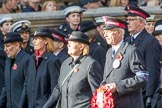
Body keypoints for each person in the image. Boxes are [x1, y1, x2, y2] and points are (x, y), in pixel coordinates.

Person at [43, 31, 103, 108]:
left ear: (81, 46)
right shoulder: (65, 63)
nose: (68, 45)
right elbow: (58, 89)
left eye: (71, 43)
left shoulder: (91, 64)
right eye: (68, 43)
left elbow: (98, 93)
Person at [100, 17, 147, 108]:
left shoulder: (131, 51)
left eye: (108, 32)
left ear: (119, 33)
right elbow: (106, 77)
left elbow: (143, 77)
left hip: (129, 103)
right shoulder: (109, 52)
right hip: (112, 103)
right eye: (105, 32)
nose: (105, 35)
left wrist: (117, 86)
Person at [124, 5, 161, 108]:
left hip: (142, 94)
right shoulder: (126, 41)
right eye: (127, 20)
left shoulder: (150, 41)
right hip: (127, 91)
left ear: (141, 22)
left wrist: (149, 95)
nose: (128, 22)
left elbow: (153, 70)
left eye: (131, 20)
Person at [19, 27, 61, 108]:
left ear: (45, 41)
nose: (33, 41)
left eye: (37, 39)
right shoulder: (31, 59)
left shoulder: (53, 61)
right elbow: (26, 85)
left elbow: (55, 90)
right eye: (33, 39)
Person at [0, 32, 35, 108]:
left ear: (17, 45)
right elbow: (6, 85)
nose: (5, 49)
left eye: (8, 46)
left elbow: (27, 87)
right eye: (4, 46)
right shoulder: (9, 60)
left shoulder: (27, 60)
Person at [151, 20, 162, 108]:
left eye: (160, 34)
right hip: (157, 92)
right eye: (156, 35)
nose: (158, 37)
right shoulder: (154, 50)